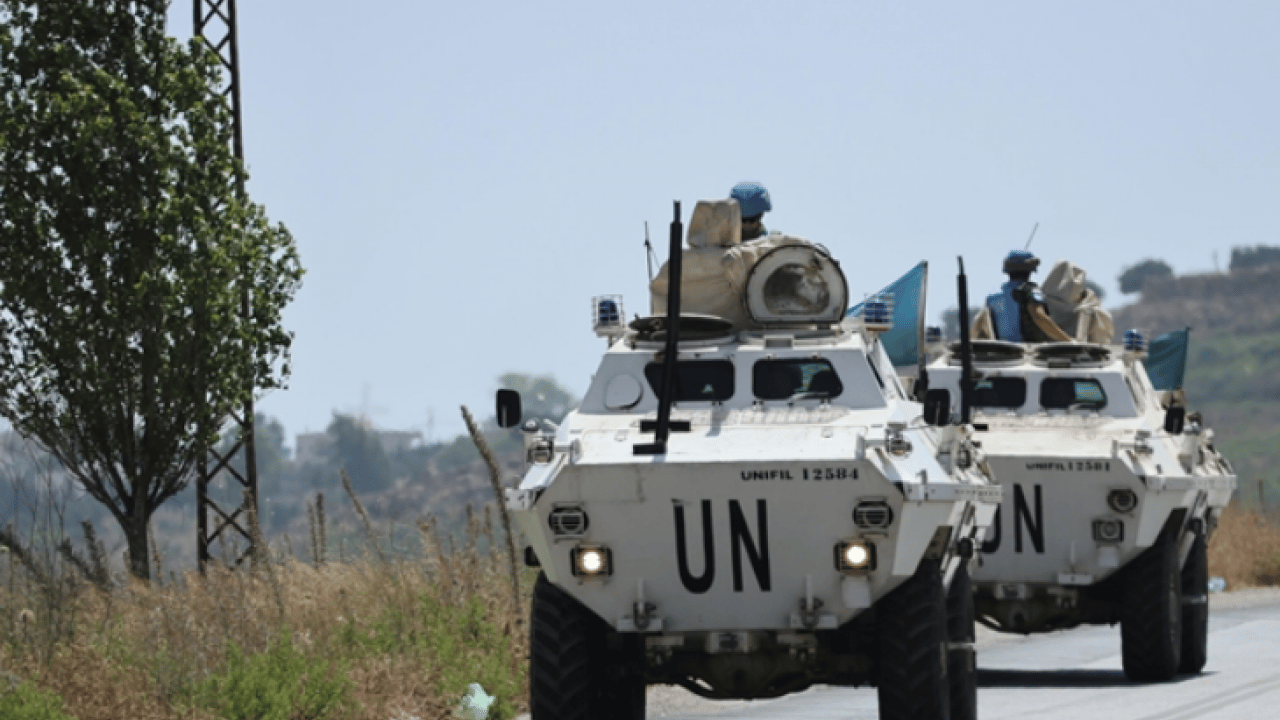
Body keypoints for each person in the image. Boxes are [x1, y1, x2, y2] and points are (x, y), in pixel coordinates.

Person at [978, 250, 1071, 343]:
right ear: (1031, 269)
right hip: (1028, 349)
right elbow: (1040, 317)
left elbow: (981, 323)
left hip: (1002, 349)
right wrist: (1068, 341)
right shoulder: (1030, 291)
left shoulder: (992, 298)